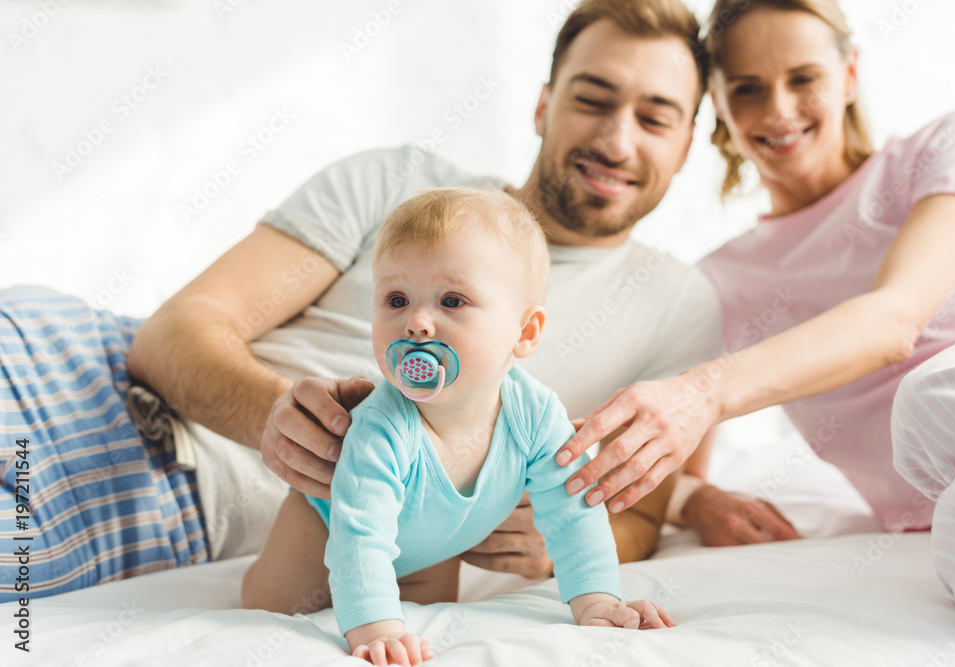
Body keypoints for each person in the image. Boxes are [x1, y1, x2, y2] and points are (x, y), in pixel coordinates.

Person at [0, 0, 719, 601]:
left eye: (656, 118)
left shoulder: (675, 305)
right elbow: (174, 332)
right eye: (591, 99)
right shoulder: (395, 180)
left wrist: (549, 544)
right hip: (63, 354)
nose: (616, 139)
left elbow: (645, 513)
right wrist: (275, 419)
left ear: (688, 144)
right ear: (541, 105)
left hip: (167, 494)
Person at [554, 0, 955, 622]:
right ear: (718, 108)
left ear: (848, 75)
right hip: (939, 506)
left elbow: (896, 319)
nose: (778, 111)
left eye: (803, 79)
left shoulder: (939, 150)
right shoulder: (720, 282)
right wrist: (699, 502)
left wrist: (704, 390)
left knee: (926, 406)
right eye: (748, 89)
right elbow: (673, 463)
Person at [243, 188, 674, 666]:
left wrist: (597, 601)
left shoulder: (536, 416)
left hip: (434, 552)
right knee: (276, 611)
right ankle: (261, 579)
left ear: (525, 332)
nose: (417, 323)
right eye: (396, 299)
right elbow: (359, 539)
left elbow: (573, 514)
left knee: (428, 619)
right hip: (325, 532)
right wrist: (377, 628)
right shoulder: (381, 426)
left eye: (451, 300)